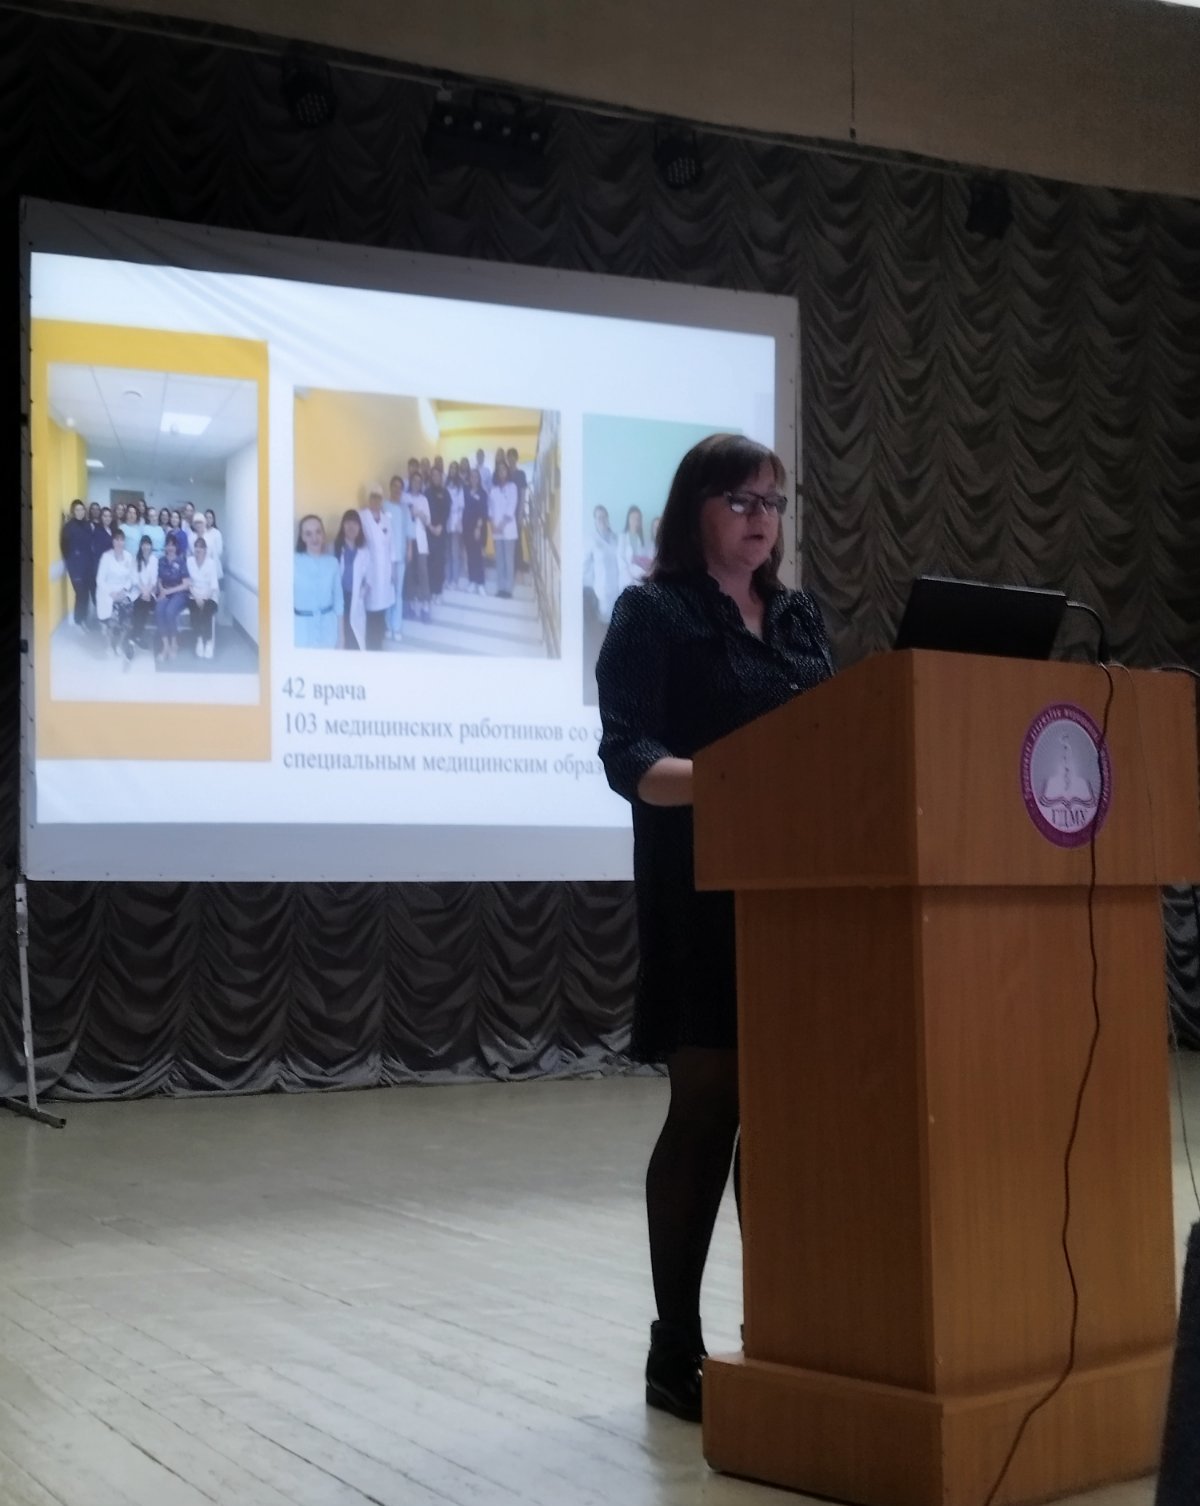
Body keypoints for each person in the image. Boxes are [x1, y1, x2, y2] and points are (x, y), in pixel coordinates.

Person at [595, 434, 834, 1424]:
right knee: (709, 1109)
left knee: (782, 1118)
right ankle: (675, 1347)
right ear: (694, 508)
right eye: (740, 500)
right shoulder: (653, 612)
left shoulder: (798, 616)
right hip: (699, 893)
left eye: (772, 501)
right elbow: (630, 757)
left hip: (800, 896)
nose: (760, 517)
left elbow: (836, 739)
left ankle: (779, 1325)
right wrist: (741, 782)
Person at [293, 514, 342, 648]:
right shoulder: (293, 562)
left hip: (328, 628)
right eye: (308, 534)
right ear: (302, 537)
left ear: (323, 534)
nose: (314, 538)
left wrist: (341, 637)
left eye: (318, 532)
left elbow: (339, 601)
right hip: (301, 630)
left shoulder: (332, 563)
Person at [357, 484, 396, 650]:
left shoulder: (386, 518)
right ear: (369, 499)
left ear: (382, 500)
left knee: (383, 604)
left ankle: (379, 639)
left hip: (385, 569)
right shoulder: (362, 516)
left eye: (378, 498)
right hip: (369, 568)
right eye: (373, 497)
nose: (376, 501)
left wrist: (393, 570)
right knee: (369, 606)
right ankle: (370, 643)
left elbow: (391, 545)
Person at [95, 525, 136, 659]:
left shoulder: (129, 557)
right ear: (113, 541)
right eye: (116, 540)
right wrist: (111, 593)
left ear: (124, 542)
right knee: (112, 615)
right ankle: (108, 645)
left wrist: (124, 590)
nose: (119, 542)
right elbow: (100, 579)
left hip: (123, 591)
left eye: (121, 540)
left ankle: (119, 644)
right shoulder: (106, 557)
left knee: (127, 611)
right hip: (108, 592)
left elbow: (131, 577)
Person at [333, 508, 369, 650]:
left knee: (355, 636)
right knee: (341, 635)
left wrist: (363, 590)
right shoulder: (334, 548)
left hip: (355, 598)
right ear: (343, 526)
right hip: (339, 598)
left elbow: (368, 576)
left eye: (355, 523)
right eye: (347, 523)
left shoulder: (364, 551)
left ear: (359, 528)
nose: (351, 527)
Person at [154, 534, 190, 662]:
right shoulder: (161, 561)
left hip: (179, 593)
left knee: (169, 611)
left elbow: (186, 584)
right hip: (165, 592)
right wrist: (162, 590)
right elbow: (159, 579)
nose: (170, 548)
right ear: (165, 546)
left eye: (172, 545)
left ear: (176, 547)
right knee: (159, 610)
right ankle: (166, 646)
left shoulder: (181, 561)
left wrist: (168, 591)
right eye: (168, 545)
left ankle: (174, 643)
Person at [583, 505, 621, 625]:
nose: (602, 520)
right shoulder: (591, 539)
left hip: (617, 587)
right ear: (595, 520)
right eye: (599, 517)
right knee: (604, 623)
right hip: (602, 589)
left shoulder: (616, 538)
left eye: (604, 517)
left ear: (608, 518)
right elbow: (584, 566)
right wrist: (590, 582)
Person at [488, 460, 519, 598]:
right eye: (499, 470)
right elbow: (490, 509)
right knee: (499, 560)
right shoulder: (493, 490)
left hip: (508, 529)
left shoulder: (512, 487)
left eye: (504, 469)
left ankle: (508, 589)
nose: (501, 472)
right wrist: (493, 525)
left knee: (508, 560)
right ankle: (500, 588)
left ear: (507, 471)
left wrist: (501, 525)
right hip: (496, 530)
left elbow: (511, 507)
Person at [60, 499, 92, 628]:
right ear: (73, 511)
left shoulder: (87, 525)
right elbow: (64, 547)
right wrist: (72, 562)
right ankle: (78, 620)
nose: (80, 512)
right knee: (80, 593)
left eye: (82, 509)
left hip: (87, 566)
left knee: (86, 593)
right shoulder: (68, 527)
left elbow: (89, 545)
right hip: (75, 567)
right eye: (77, 509)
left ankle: (83, 619)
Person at [385, 475, 409, 642]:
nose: (397, 489)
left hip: (400, 556)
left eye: (400, 487)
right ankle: (387, 626)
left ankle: (397, 627)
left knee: (398, 592)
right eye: (394, 486)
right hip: (386, 557)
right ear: (390, 487)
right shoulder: (384, 506)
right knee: (388, 591)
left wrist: (410, 549)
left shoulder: (405, 508)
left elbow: (409, 530)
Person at [187, 535, 220, 658]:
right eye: (196, 547)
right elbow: (188, 583)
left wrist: (204, 598)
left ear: (205, 550)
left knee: (207, 611)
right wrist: (196, 597)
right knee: (194, 611)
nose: (198, 549)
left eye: (201, 547)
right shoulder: (189, 561)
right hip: (194, 596)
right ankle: (199, 640)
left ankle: (209, 642)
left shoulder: (211, 563)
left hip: (210, 596)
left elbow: (214, 586)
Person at [405, 475, 432, 622]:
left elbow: (427, 521)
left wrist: (418, 514)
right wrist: (413, 513)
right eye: (414, 481)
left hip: (421, 539)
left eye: (419, 481)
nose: (416, 483)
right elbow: (404, 515)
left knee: (423, 572)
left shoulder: (424, 499)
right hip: (407, 540)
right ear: (410, 482)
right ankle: (410, 604)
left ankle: (425, 606)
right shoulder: (405, 497)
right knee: (409, 572)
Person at [462, 468, 488, 596]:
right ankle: (472, 581)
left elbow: (483, 512)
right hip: (466, 527)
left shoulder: (482, 493)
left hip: (478, 528)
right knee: (470, 555)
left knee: (478, 556)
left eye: (476, 477)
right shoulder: (465, 491)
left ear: (479, 479)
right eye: (472, 476)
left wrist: (478, 527)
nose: (474, 479)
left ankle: (480, 583)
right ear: (469, 478)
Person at [426, 464, 450, 601]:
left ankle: (438, 591)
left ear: (441, 477)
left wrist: (440, 526)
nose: (435, 477)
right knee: (430, 561)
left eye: (437, 475)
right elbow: (424, 511)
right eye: (433, 475)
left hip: (441, 532)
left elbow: (447, 511)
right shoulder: (426, 493)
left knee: (440, 561)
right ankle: (431, 590)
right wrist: (430, 527)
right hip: (429, 532)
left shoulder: (445, 493)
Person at [132, 534, 158, 646]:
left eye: (148, 544)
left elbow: (154, 580)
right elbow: (135, 579)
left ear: (151, 546)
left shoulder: (154, 560)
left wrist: (147, 592)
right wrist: (143, 591)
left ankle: (134, 636)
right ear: (141, 546)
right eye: (144, 544)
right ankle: (136, 636)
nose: (146, 547)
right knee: (140, 605)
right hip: (139, 592)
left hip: (150, 593)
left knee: (144, 605)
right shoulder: (136, 559)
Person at [618, 505, 652, 589]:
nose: (636, 521)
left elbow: (647, 560)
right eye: (633, 518)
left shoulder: (645, 539)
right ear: (628, 520)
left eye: (638, 519)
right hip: (626, 580)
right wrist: (630, 580)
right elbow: (620, 560)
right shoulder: (622, 537)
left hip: (640, 579)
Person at [446, 461, 465, 590]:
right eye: (451, 468)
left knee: (455, 552)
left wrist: (459, 521)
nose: (452, 470)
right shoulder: (446, 484)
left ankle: (455, 579)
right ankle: (447, 578)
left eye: (454, 468)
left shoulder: (460, 486)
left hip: (456, 520)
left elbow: (461, 505)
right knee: (447, 552)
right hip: (446, 520)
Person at [204, 510, 223, 576]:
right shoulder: (202, 531)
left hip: (214, 564)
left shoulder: (217, 533)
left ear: (213, 519)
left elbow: (219, 551)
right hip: (203, 563)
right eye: (206, 517)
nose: (208, 520)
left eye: (210, 518)